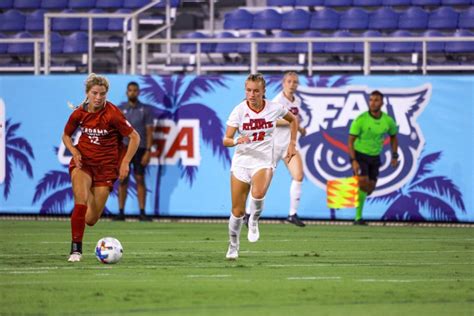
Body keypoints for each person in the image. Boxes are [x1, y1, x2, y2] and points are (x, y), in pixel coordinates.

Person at [63, 73, 140, 262]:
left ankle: (88, 190)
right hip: (84, 163)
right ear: (87, 93)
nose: (98, 97)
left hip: (106, 168)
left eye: (102, 94)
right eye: (95, 93)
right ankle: (75, 250)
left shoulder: (112, 114)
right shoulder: (79, 113)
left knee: (91, 219)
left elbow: (135, 137)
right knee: (80, 200)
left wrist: (125, 162)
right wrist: (74, 151)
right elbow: (66, 135)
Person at [223, 73, 298, 260]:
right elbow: (226, 139)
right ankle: (233, 245)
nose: (252, 94)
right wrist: (236, 141)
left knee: (258, 193)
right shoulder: (239, 111)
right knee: (237, 211)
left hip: (263, 160)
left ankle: (254, 220)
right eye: (248, 90)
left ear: (264, 91)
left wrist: (292, 144)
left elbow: (293, 120)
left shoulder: (274, 108)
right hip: (241, 162)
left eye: (256, 91)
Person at [244, 71, 307, 227]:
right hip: (273, 146)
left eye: (295, 82)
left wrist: (299, 128)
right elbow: (269, 120)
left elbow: (293, 121)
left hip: (288, 146)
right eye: (289, 81)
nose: (292, 84)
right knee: (261, 184)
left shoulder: (296, 101)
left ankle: (292, 214)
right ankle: (247, 213)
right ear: (283, 83)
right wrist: (292, 123)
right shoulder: (278, 101)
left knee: (298, 175)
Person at [348, 90, 398, 225]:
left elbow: (393, 136)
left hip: (375, 156)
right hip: (360, 155)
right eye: (371, 100)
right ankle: (358, 218)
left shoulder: (388, 120)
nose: (373, 102)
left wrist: (394, 155)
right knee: (364, 183)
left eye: (376, 100)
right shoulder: (361, 119)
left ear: (382, 103)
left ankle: (354, 190)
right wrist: (353, 161)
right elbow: (351, 140)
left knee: (369, 188)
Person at [116, 82, 154, 221]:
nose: (132, 92)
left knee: (140, 179)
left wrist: (148, 151)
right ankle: (121, 212)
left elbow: (150, 131)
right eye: (130, 90)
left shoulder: (145, 110)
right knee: (123, 179)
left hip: (140, 148)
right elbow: (117, 131)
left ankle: (142, 212)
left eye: (135, 90)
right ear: (127, 92)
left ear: (139, 92)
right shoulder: (120, 109)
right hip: (124, 148)